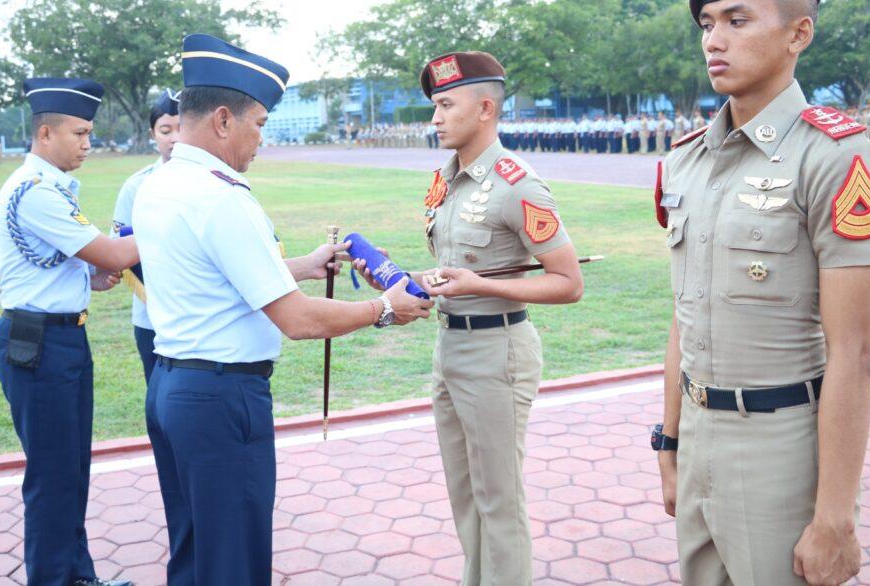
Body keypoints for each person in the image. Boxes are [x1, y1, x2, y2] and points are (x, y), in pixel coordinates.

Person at [134, 34, 433, 585]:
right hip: (221, 399)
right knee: (234, 565)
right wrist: (383, 308)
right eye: (260, 123)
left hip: (173, 385)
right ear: (224, 120)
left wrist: (307, 263)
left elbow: (215, 278)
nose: (261, 138)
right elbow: (297, 321)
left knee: (195, 555)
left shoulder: (159, 184)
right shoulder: (223, 197)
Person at [655, 0, 870, 586]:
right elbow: (684, 312)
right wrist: (670, 442)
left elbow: (855, 354)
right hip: (699, 435)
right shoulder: (685, 160)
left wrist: (835, 517)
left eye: (738, 20)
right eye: (708, 24)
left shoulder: (836, 157)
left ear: (799, 33)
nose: (714, 40)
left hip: (780, 446)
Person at [402, 51, 584, 585]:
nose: (434, 118)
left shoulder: (516, 183)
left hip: (497, 351)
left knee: (498, 501)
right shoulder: (445, 178)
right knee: (465, 495)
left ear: (485, 108)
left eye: (444, 105)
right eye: (433, 106)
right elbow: (455, 260)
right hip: (451, 347)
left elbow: (569, 283)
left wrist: (479, 284)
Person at [0, 77, 140, 586]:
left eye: (89, 134)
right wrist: (177, 217)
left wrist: (90, 276)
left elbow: (74, 263)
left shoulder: (52, 188)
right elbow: (118, 252)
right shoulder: (37, 193)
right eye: (78, 133)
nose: (87, 144)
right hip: (38, 344)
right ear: (45, 133)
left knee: (71, 472)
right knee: (53, 478)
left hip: (63, 338)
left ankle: (78, 577)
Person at [111, 89, 181, 383]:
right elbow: (119, 246)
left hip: (202, 318)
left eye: (182, 129)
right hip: (151, 317)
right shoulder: (136, 186)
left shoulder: (217, 181)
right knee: (158, 401)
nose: (174, 138)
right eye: (165, 130)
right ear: (153, 134)